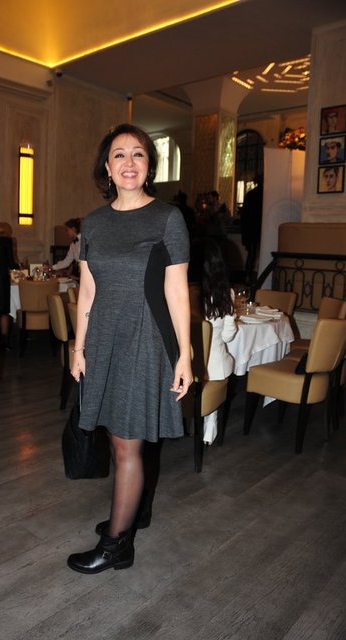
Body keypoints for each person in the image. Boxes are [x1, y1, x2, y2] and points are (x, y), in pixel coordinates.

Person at [67, 123, 192, 574]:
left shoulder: (167, 218)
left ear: (149, 165)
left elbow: (177, 292)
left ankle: (117, 544)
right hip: (103, 339)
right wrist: (79, 347)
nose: (128, 162)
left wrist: (185, 355)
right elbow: (88, 290)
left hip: (144, 339)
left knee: (126, 443)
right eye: (119, 154)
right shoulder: (94, 223)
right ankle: (127, 516)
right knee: (115, 436)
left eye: (138, 153)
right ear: (107, 166)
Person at [199, 238, 237, 444]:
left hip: (187, 365)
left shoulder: (186, 292)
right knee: (224, 356)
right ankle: (211, 418)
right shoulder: (225, 293)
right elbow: (228, 336)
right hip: (214, 368)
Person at [240, 183, 263, 284]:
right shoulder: (263, 195)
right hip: (257, 228)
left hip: (250, 229)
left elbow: (244, 215)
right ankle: (254, 276)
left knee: (252, 254)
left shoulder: (250, 195)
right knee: (255, 253)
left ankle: (247, 276)